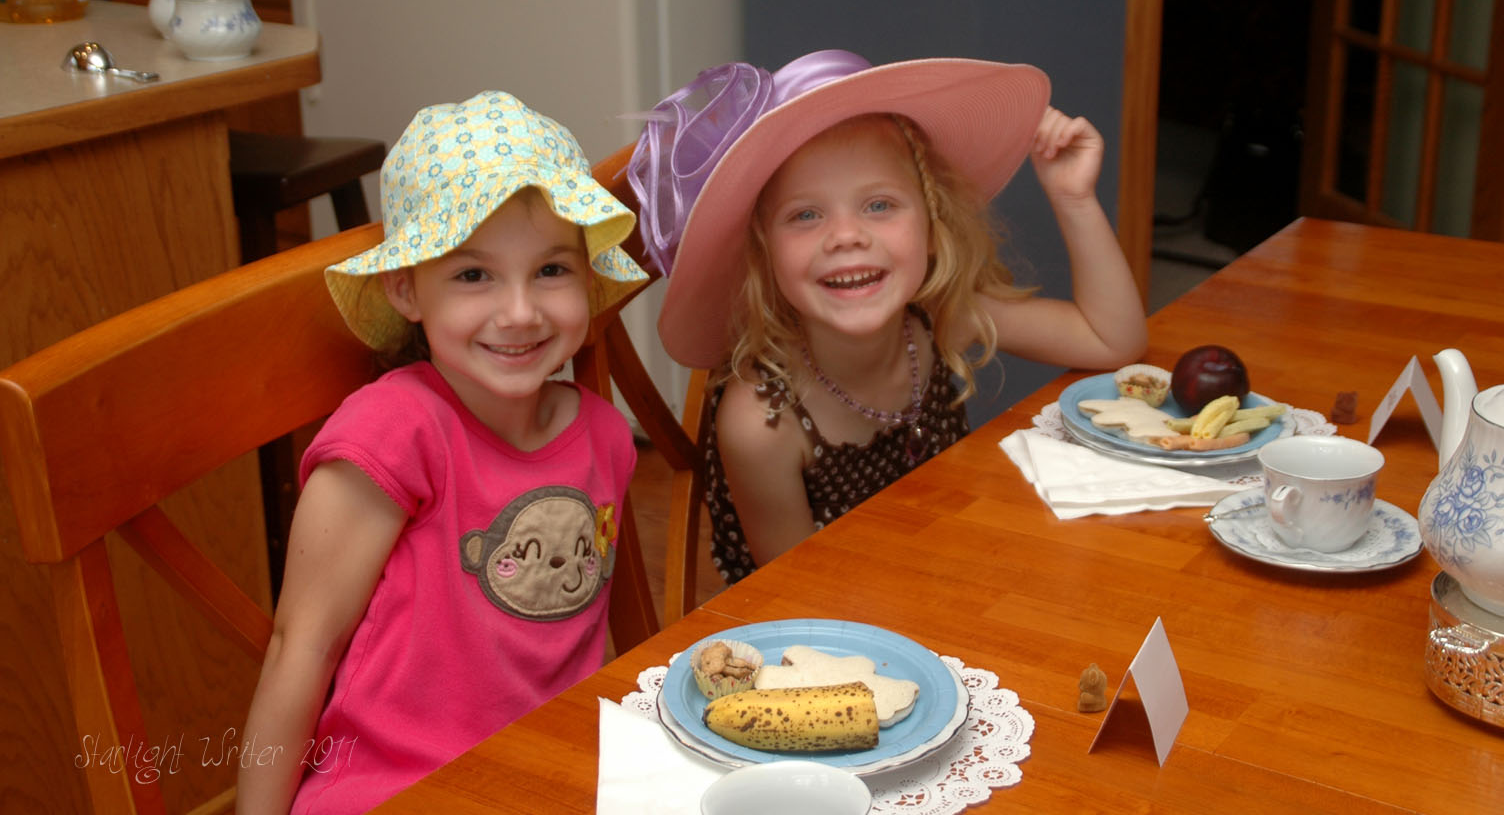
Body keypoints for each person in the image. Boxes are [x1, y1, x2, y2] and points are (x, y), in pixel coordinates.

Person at [237, 91, 648, 815]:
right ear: (406, 289)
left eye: (551, 270)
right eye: (472, 275)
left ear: (588, 277)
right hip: (394, 789)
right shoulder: (392, 433)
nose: (519, 312)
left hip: (553, 779)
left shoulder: (605, 437)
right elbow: (301, 649)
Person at [627, 50, 1147, 583]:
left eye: (878, 205)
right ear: (763, 254)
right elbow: (800, 597)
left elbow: (1111, 340)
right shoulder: (763, 422)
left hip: (944, 572)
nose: (846, 235)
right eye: (805, 214)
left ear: (932, 224)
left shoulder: (939, 314)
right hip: (832, 616)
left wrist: (1073, 197)